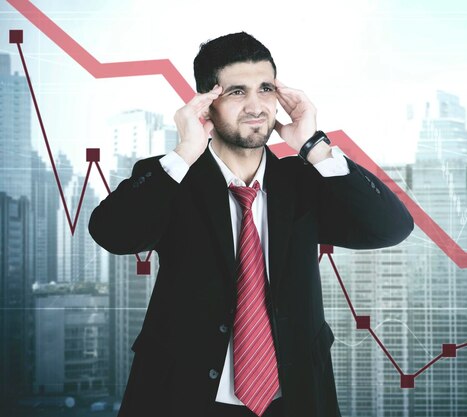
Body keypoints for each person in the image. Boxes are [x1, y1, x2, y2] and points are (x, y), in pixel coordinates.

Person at [89, 32, 414, 417]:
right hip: (184, 397)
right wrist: (186, 150)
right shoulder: (174, 177)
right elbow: (113, 233)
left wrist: (313, 144)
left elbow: (391, 227)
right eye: (238, 92)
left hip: (293, 400)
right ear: (207, 104)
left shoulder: (303, 181)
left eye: (265, 89)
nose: (257, 106)